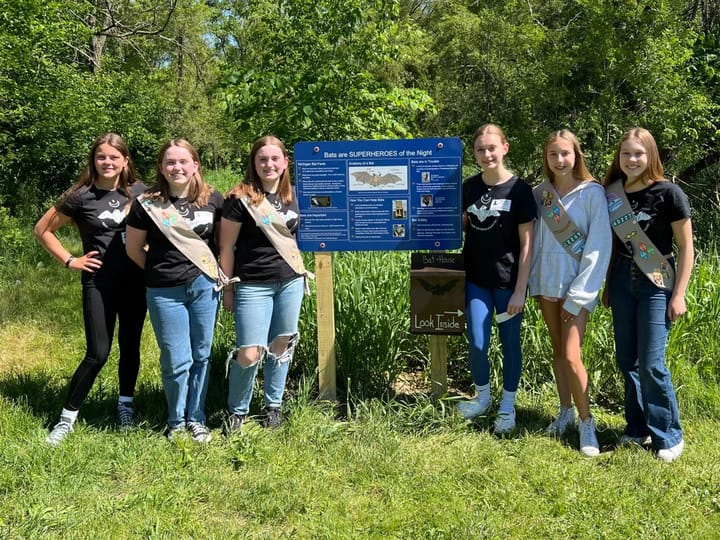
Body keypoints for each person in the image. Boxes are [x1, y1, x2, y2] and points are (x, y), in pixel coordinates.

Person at [34, 133, 147, 445]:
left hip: (136, 282)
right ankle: (67, 419)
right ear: (93, 161)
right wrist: (71, 260)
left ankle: (126, 405)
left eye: (114, 157)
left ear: (125, 160)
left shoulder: (142, 192)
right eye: (101, 157)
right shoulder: (80, 195)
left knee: (130, 346)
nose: (107, 162)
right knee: (98, 352)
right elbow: (42, 230)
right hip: (98, 283)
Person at [603, 128, 693, 462]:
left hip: (657, 282)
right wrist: (608, 287)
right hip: (622, 281)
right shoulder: (612, 195)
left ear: (650, 155)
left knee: (652, 363)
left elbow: (686, 248)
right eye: (626, 154)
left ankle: (668, 434)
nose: (632, 160)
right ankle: (637, 428)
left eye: (638, 153)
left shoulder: (669, 193)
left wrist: (678, 294)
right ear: (619, 157)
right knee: (627, 360)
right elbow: (612, 245)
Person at [125, 138, 223, 443]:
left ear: (195, 165)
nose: (177, 167)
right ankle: (176, 421)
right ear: (161, 168)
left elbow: (221, 245)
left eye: (183, 161)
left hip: (204, 286)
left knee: (201, 354)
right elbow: (133, 249)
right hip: (164, 290)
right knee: (175, 357)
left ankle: (197, 418)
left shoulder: (213, 199)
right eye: (170, 162)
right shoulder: (147, 204)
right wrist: (159, 271)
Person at [528, 130, 612, 456]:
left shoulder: (592, 194)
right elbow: (534, 241)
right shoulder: (540, 195)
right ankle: (564, 413)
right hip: (547, 283)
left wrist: (580, 294)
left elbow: (599, 245)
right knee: (558, 352)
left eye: (565, 153)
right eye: (553, 155)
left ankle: (587, 422)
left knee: (573, 354)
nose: (560, 160)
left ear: (576, 155)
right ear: (545, 158)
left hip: (578, 286)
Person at [219, 136, 309, 435]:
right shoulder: (238, 199)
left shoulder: (295, 196)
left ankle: (273, 405)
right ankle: (237, 410)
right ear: (254, 164)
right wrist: (228, 288)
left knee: (281, 344)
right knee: (249, 352)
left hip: (291, 281)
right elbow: (227, 247)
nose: (269, 165)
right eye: (262, 159)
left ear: (285, 162)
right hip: (252, 284)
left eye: (274, 159)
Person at [457, 124, 536, 434]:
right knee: (477, 341)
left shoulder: (520, 190)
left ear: (505, 148)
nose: (487, 154)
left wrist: (520, 291)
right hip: (476, 278)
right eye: (480, 149)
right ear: (474, 154)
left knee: (509, 344)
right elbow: (467, 225)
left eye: (492, 147)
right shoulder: (469, 187)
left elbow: (528, 244)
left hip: (508, 283)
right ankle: (483, 398)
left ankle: (507, 406)